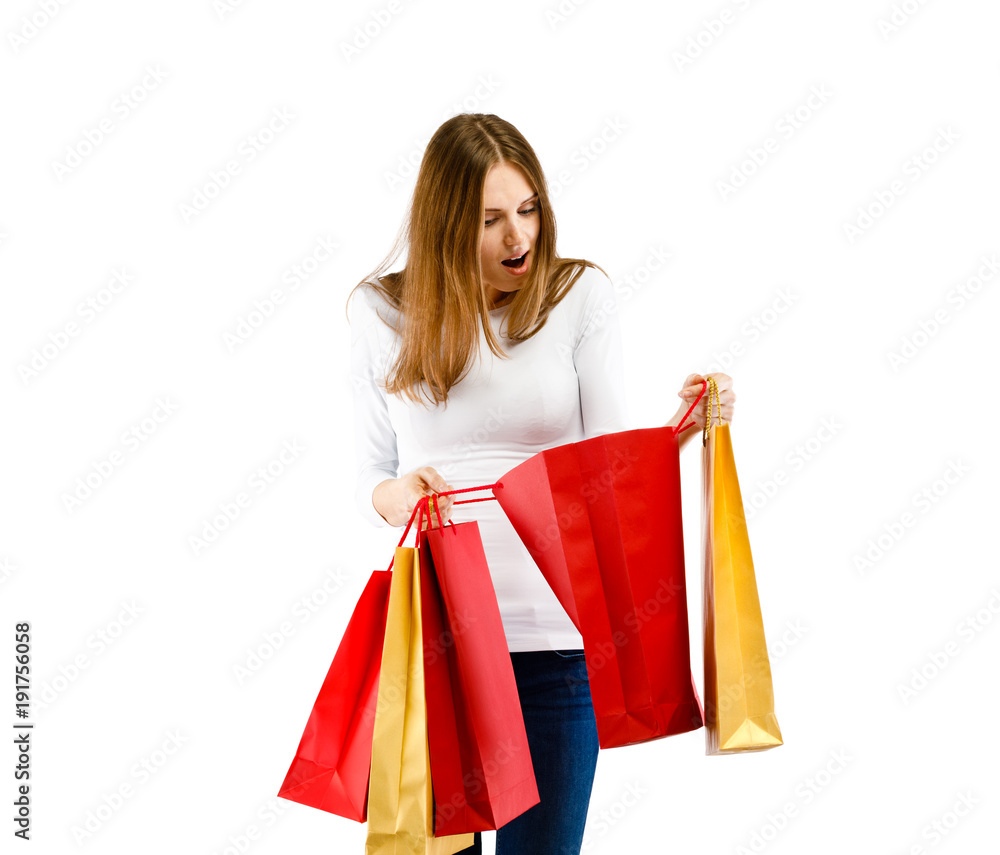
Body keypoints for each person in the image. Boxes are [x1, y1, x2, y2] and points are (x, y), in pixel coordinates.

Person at [348, 113, 735, 855]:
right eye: (489, 219)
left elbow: (609, 462)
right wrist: (397, 495)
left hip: (557, 648)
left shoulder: (579, 297)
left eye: (528, 210)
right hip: (439, 645)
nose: (517, 237)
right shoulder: (381, 311)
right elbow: (365, 475)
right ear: (443, 224)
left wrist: (682, 430)